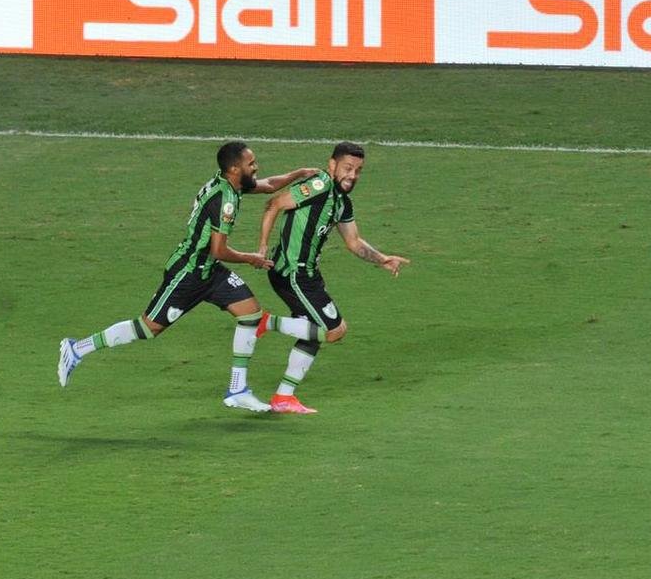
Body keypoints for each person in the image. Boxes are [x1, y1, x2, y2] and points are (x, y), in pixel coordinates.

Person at [57, 141, 317, 412]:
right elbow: (218, 250)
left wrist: (298, 173)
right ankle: (77, 348)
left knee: (250, 313)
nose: (256, 167)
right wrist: (250, 258)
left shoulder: (230, 183)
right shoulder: (224, 200)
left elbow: (268, 184)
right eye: (251, 164)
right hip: (188, 272)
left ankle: (237, 390)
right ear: (233, 169)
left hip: (209, 272)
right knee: (148, 328)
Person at [255, 141, 410, 414]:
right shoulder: (319, 186)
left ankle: (283, 398)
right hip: (292, 273)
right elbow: (274, 204)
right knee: (333, 330)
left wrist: (383, 259)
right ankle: (265, 322)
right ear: (332, 165)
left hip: (309, 276)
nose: (353, 175)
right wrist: (263, 248)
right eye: (348, 168)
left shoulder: (341, 202)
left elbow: (354, 242)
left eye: (358, 170)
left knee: (313, 333)